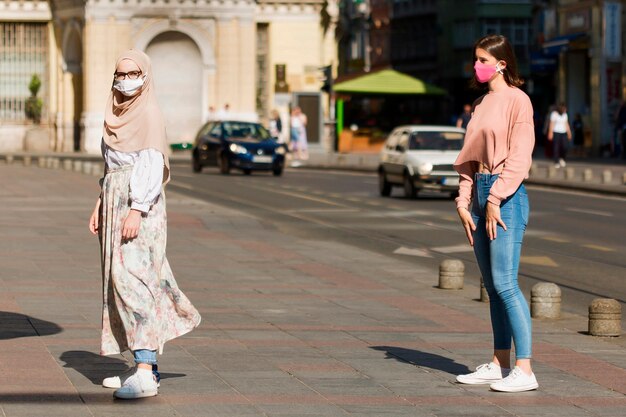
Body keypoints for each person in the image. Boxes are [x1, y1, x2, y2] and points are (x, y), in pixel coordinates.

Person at [88, 50, 201, 400]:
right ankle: (144, 365)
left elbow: (150, 165)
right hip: (115, 198)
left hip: (140, 203)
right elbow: (111, 166)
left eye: (134, 72)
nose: (126, 79)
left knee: (132, 280)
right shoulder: (115, 113)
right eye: (120, 73)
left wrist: (136, 209)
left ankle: (144, 369)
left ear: (146, 75)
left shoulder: (149, 114)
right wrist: (100, 203)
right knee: (121, 279)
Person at [453, 34, 538, 393]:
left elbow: (520, 157)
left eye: (484, 59)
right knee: (492, 286)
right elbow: (470, 158)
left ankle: (525, 368)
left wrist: (495, 198)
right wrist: (463, 201)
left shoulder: (519, 101)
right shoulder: (479, 103)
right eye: (475, 59)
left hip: (507, 196)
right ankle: (500, 362)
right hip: (480, 194)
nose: (478, 66)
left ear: (502, 64)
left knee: (505, 283)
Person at [547, 103, 572, 167]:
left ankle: (562, 158)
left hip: (563, 132)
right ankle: (556, 161)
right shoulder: (554, 114)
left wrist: (569, 133)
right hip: (556, 132)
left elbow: (566, 124)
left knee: (564, 146)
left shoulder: (565, 115)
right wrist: (550, 133)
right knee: (556, 147)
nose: (565, 110)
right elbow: (551, 124)